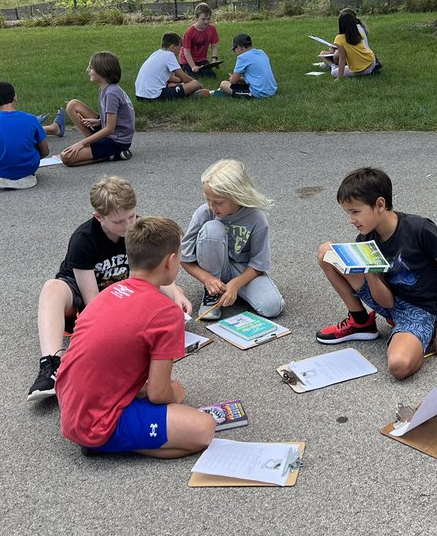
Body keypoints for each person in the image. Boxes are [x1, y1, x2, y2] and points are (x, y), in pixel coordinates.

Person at [55, 216, 216, 458]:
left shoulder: (110, 290)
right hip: (94, 422)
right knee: (203, 429)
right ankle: (102, 442)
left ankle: (107, 434)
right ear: (170, 261)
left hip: (71, 400)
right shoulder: (166, 312)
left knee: (175, 393)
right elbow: (159, 394)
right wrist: (172, 395)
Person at [27, 176, 191, 402]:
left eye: (132, 216)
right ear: (99, 217)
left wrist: (175, 293)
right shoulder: (83, 239)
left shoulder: (138, 230)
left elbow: (153, 267)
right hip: (85, 298)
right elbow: (93, 303)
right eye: (119, 221)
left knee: (170, 292)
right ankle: (51, 363)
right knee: (52, 288)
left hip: (122, 290)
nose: (128, 225)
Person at [315, 167, 437, 381]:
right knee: (326, 252)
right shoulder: (365, 239)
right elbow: (386, 301)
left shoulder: (420, 229)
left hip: (419, 311)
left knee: (398, 366)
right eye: (348, 213)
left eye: (355, 212)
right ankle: (360, 321)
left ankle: (421, 335)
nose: (351, 220)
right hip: (389, 302)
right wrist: (370, 272)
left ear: (380, 204)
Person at [180, 159, 284, 320]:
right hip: (213, 272)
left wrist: (235, 284)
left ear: (237, 196)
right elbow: (185, 258)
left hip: (243, 271)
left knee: (272, 307)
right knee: (212, 228)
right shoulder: (204, 213)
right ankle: (213, 292)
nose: (212, 206)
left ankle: (231, 290)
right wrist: (208, 279)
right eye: (208, 200)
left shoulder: (257, 218)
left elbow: (259, 264)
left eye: (218, 202)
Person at [0, 81, 50, 189]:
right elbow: (45, 152)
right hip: (29, 168)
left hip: (0, 171)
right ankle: (22, 178)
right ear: (15, 97)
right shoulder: (32, 119)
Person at [62, 52, 136, 165]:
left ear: (103, 71)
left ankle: (113, 154)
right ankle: (94, 146)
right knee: (73, 105)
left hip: (117, 141)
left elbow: (110, 129)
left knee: (67, 158)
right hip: (109, 131)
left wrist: (81, 143)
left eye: (91, 67)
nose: (87, 70)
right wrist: (99, 121)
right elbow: (118, 117)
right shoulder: (105, 88)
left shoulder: (111, 93)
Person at [135, 32, 206, 100]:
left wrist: (179, 82)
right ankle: (192, 94)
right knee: (195, 84)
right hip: (154, 95)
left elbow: (169, 78)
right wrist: (197, 83)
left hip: (140, 95)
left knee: (172, 84)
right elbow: (184, 78)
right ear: (173, 47)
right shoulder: (169, 55)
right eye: (179, 48)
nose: (179, 52)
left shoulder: (156, 53)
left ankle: (186, 92)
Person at [216, 33, 277, 98]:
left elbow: (233, 81)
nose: (235, 52)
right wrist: (240, 79)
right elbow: (257, 75)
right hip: (272, 90)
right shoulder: (261, 52)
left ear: (239, 47)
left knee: (223, 84)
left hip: (259, 92)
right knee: (241, 82)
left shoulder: (242, 57)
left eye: (234, 49)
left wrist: (232, 78)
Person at [320, 11, 378, 78]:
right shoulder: (358, 33)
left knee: (333, 73)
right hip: (372, 62)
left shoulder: (339, 38)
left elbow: (342, 58)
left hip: (361, 70)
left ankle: (333, 66)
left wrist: (340, 77)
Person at [179, 3, 220, 78]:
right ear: (196, 17)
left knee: (211, 76)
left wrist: (214, 59)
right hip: (188, 59)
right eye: (203, 19)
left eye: (208, 19)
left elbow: (214, 45)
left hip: (201, 59)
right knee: (196, 77)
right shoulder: (189, 32)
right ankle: (182, 67)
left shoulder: (212, 29)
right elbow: (186, 52)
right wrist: (193, 66)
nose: (206, 22)